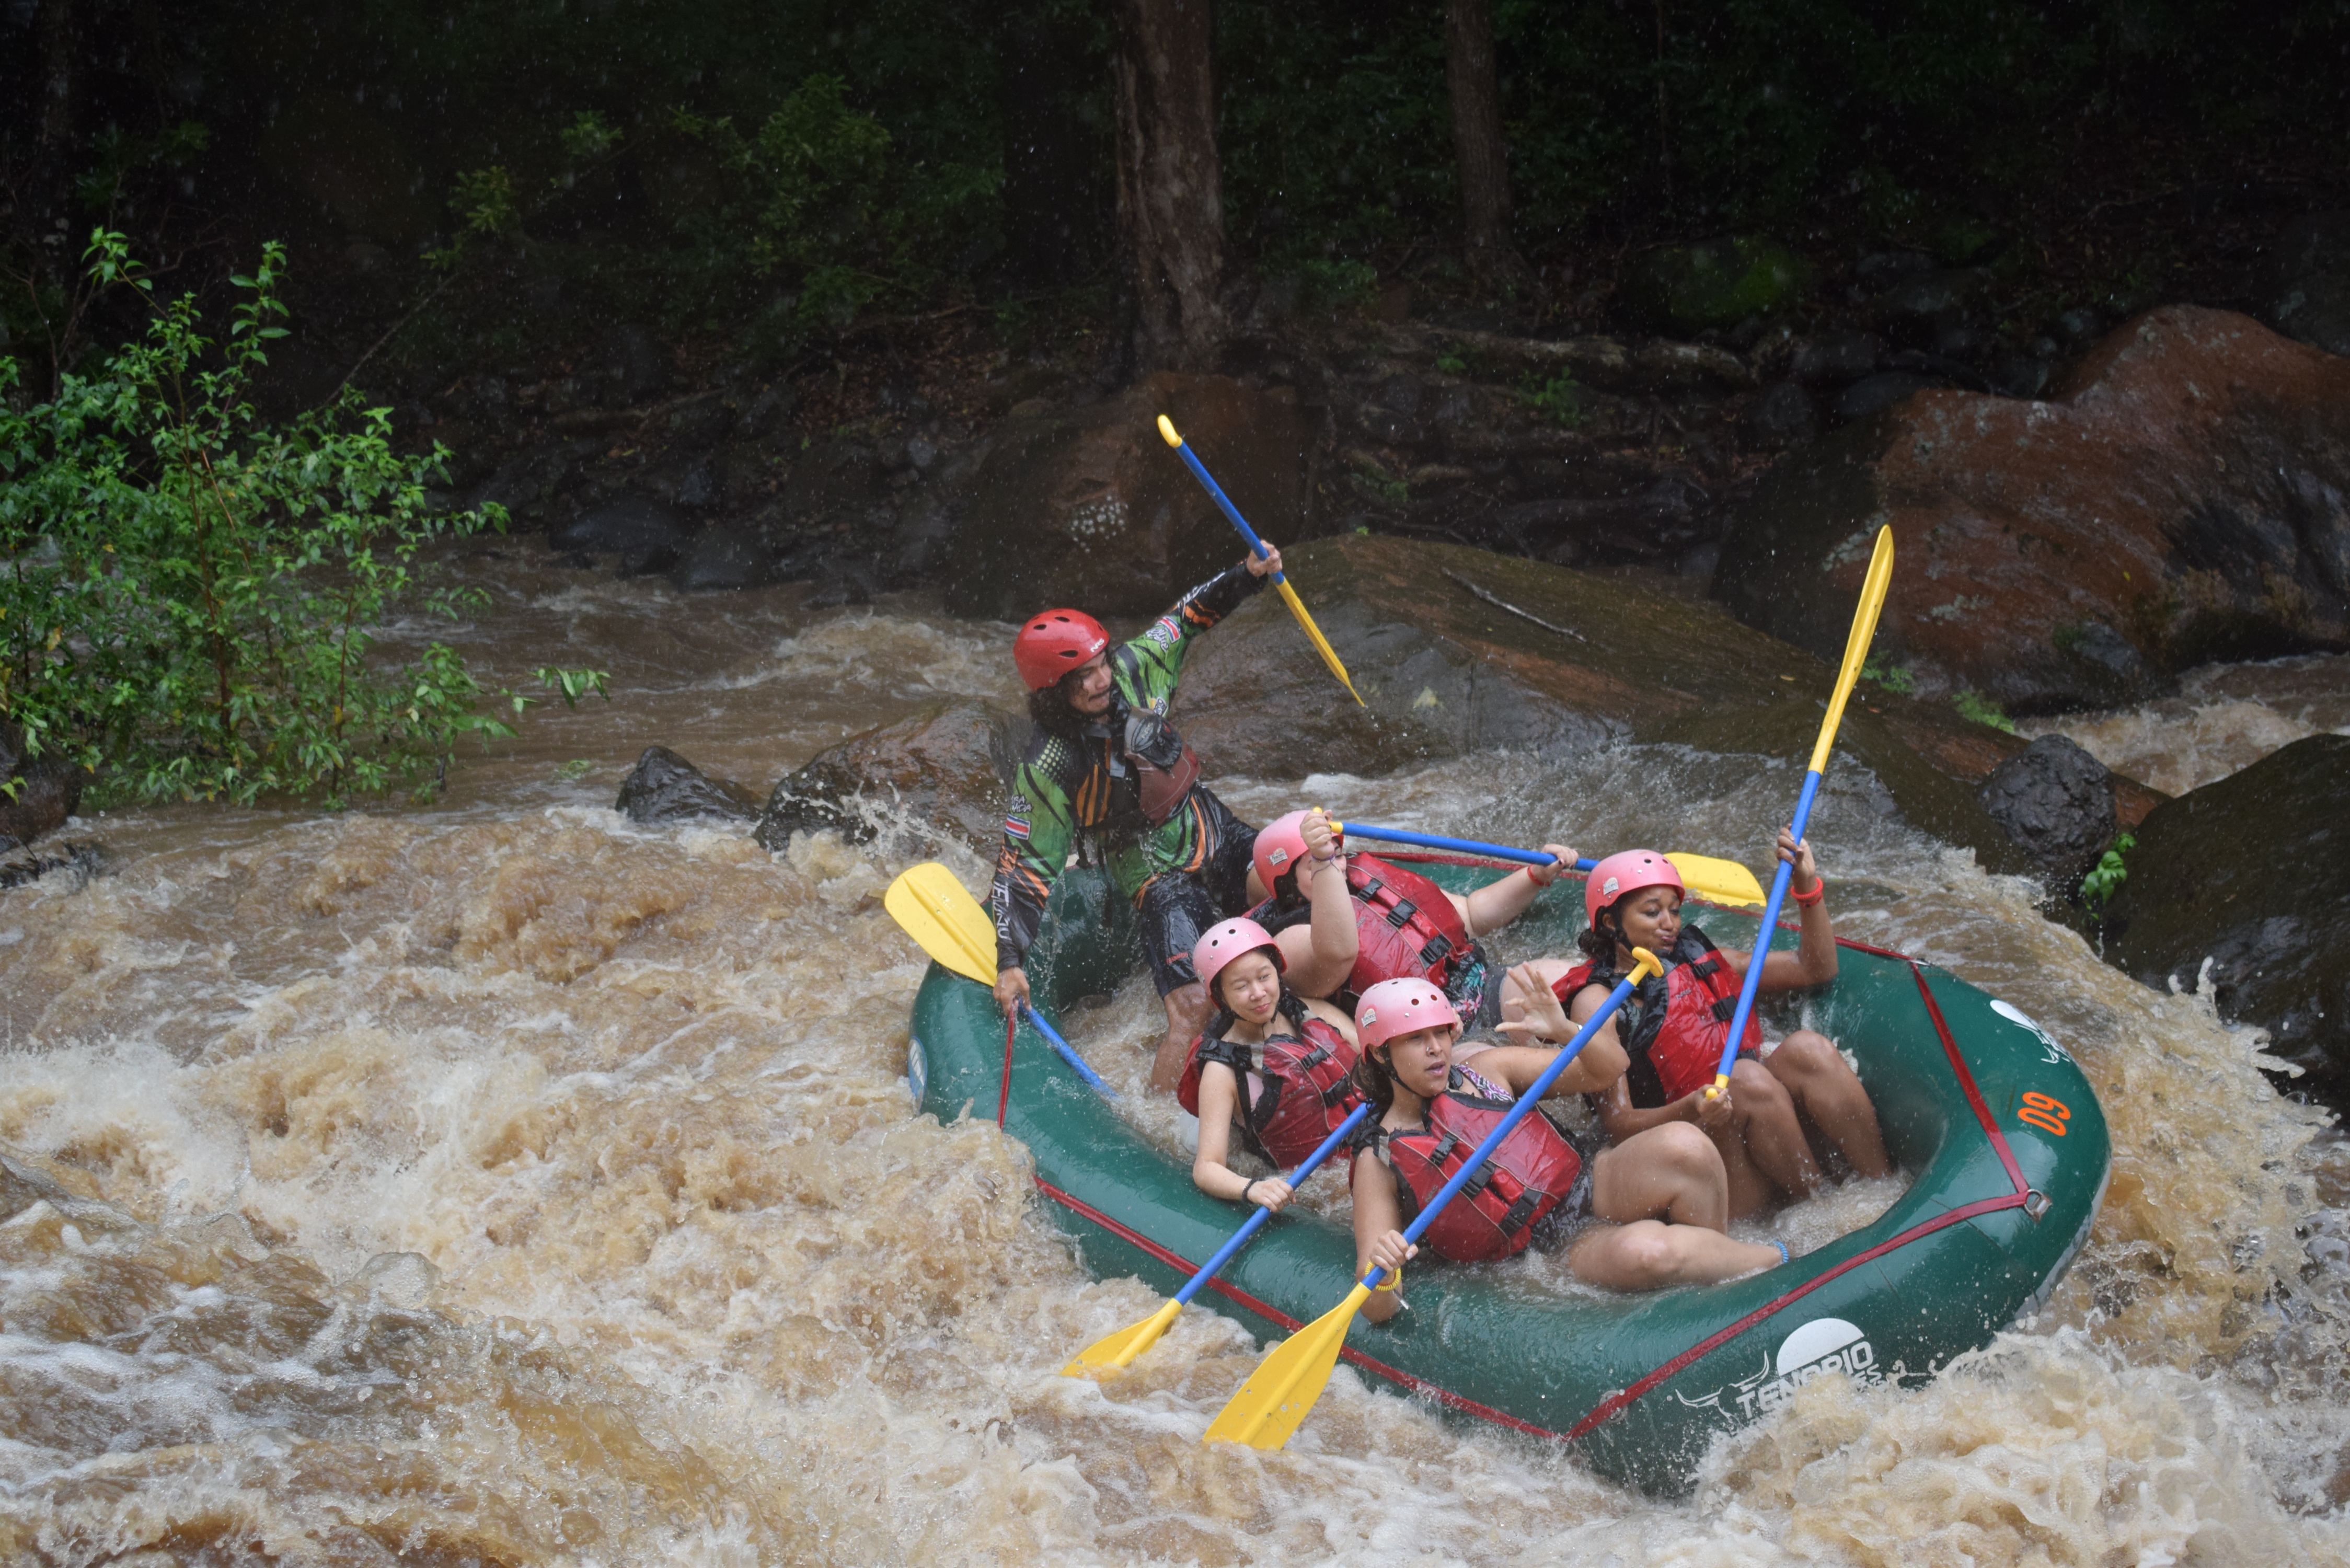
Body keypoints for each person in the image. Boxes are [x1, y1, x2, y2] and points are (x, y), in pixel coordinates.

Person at [990, 547, 1282, 1091]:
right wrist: (1010, 961)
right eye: (1082, 677)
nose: (1101, 680)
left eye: (1101, 664)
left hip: (1207, 824)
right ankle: (1159, 1116)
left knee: (1289, 876)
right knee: (1193, 1007)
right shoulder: (1048, 765)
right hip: (1151, 871)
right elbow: (1022, 866)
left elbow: (1185, 620)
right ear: (1052, 691)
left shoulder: (1131, 667)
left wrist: (1247, 575)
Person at [1347, 975, 1785, 1322]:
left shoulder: (1486, 1071)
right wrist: (1382, 1274)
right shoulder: (1378, 1160)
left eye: (1441, 1033)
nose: (1436, 1049)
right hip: (1547, 1253)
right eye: (1415, 1039)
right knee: (1647, 1252)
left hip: (1591, 1183)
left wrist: (1565, 1031)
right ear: (1381, 1056)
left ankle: (1722, 1275)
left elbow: (1609, 1069)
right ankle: (1783, 1262)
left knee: (1688, 1146)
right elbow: (1375, 1308)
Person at [1521, 837, 1891, 1220]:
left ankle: (1884, 1188)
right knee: (1745, 1078)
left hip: (1765, 1125)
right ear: (1611, 922)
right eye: (1652, 913)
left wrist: (1807, 886)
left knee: (1807, 1050)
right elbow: (1618, 1126)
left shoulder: (1695, 958)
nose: (1669, 924)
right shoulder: (1598, 1002)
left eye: (1674, 910)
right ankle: (1827, 1214)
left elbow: (1815, 968)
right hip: (1699, 1157)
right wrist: (1692, 1106)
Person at [1245, 810, 1578, 1030]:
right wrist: (1325, 862)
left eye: (1338, 853)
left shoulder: (1362, 877)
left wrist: (1536, 875)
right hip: (1434, 1045)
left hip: (1476, 986)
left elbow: (1473, 914)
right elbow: (1338, 954)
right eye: (1316, 863)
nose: (1338, 865)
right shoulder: (1286, 940)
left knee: (1568, 982)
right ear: (1287, 886)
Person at [1177, 917, 1363, 1212]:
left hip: (1367, 1146)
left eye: (1264, 977)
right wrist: (1253, 1188)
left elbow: (1370, 1057)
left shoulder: (1304, 1011)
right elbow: (1207, 1168)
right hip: (1319, 1186)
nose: (1258, 993)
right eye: (1241, 986)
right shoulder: (1223, 1072)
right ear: (1220, 996)